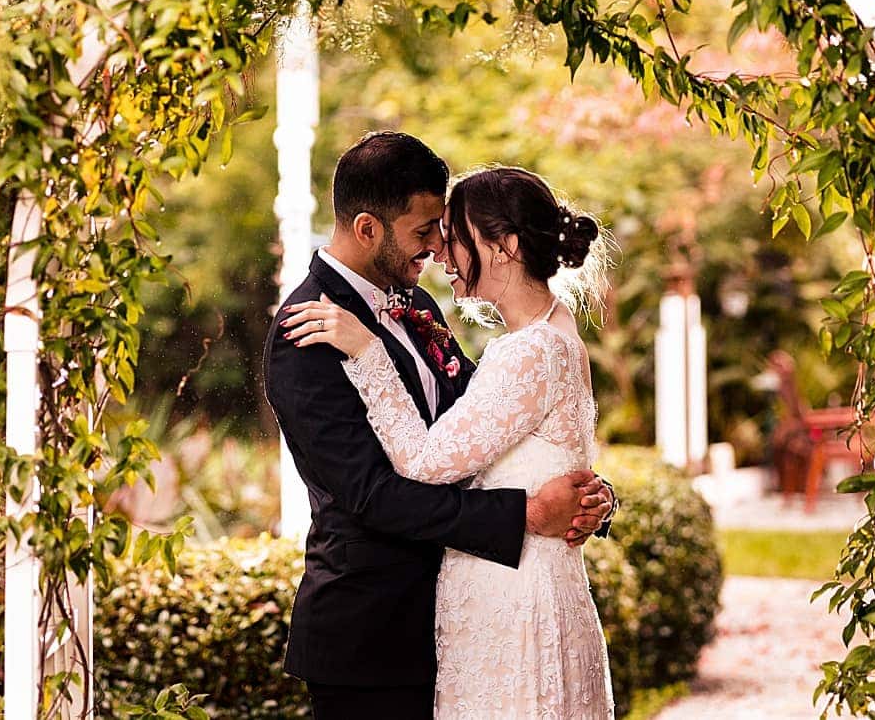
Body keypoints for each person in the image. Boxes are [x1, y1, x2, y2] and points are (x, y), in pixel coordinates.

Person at [263, 133, 614, 720]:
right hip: (374, 638)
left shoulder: (419, 307)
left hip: (474, 620)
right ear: (368, 228)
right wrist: (527, 514)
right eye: (425, 230)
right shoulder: (308, 331)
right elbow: (372, 495)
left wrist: (589, 496)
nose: (437, 247)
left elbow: (497, 431)